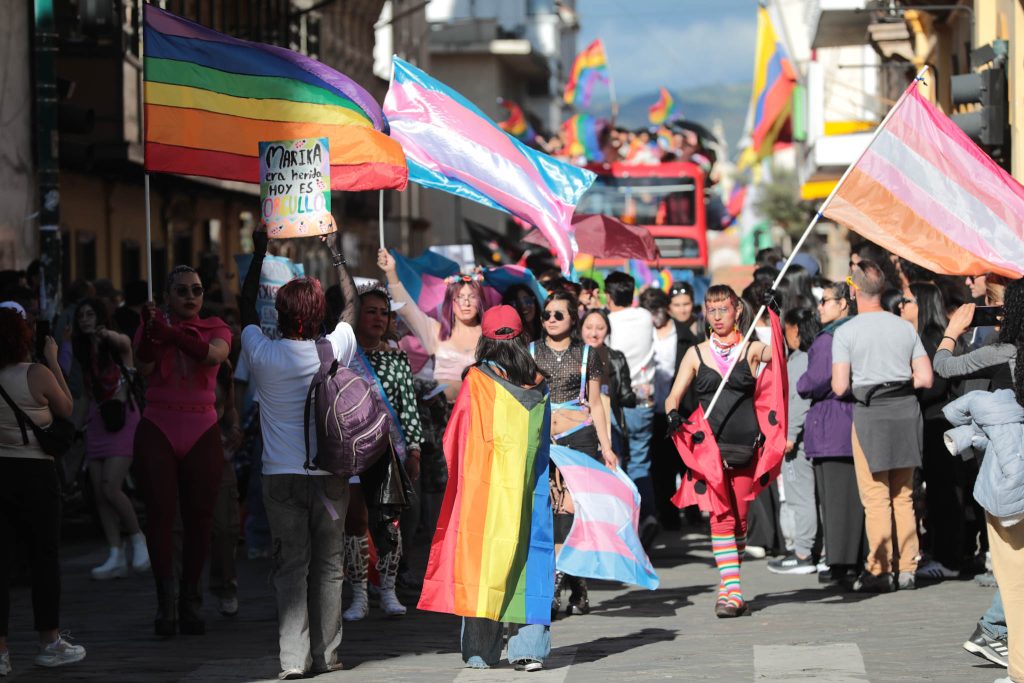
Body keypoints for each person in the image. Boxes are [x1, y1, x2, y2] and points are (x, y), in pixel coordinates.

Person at [240, 226, 359, 679]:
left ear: (282, 314)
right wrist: (335, 252)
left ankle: (292, 660)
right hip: (330, 477)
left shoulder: (264, 354)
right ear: (318, 313)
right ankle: (328, 656)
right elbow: (351, 305)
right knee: (328, 568)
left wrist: (259, 253)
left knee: (290, 568)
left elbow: (244, 308)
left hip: (281, 478)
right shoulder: (335, 349)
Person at [418, 305, 553, 672]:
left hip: (485, 493)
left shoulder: (476, 381)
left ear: (486, 340)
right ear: (522, 337)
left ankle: (481, 651)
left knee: (482, 565)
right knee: (530, 560)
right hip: (528, 492)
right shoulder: (540, 386)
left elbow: (454, 440)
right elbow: (543, 443)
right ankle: (529, 650)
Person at [664, 285, 780, 617]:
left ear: (737, 311)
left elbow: (782, 355)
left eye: (723, 310)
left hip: (745, 449)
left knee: (740, 521)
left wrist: (773, 315)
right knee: (721, 517)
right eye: (711, 310)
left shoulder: (752, 349)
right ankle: (732, 591)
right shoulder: (696, 354)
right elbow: (673, 397)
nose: (716, 317)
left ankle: (730, 583)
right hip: (709, 452)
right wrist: (673, 414)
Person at [133, 266, 232, 636]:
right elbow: (142, 366)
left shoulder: (216, 327)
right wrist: (151, 333)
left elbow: (213, 356)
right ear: (167, 295)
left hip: (201, 425)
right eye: (182, 290)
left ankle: (191, 600)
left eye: (197, 289)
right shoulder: (151, 325)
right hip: (158, 422)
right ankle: (166, 603)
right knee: (159, 514)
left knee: (201, 518)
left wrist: (171, 333)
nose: (191, 296)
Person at [831, 260, 933, 593]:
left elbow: (839, 386)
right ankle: (907, 568)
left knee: (876, 498)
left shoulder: (846, 331)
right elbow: (926, 378)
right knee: (903, 496)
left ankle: (880, 569)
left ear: (854, 290)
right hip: (905, 410)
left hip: (871, 413)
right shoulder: (904, 327)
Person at [0, 306, 85, 672]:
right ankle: (49, 640)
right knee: (44, 557)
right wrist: (53, 360)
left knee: (0, 561)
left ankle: (1, 651)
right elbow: (66, 408)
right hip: (37, 472)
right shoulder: (36, 374)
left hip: (1, 470)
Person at [342, 284, 423, 622]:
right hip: (350, 452)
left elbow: (409, 408)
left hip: (390, 451)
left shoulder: (397, 358)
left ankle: (388, 590)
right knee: (356, 522)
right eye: (370, 311)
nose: (378, 318)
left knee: (389, 521)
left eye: (383, 312)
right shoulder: (341, 356)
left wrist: (415, 449)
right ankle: (359, 595)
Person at [533, 291, 617, 617]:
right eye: (547, 314)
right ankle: (578, 585)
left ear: (572, 318)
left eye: (559, 314)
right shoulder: (530, 352)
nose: (551, 320)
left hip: (579, 439)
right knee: (551, 512)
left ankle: (553, 590)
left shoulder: (587, 355)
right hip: (542, 440)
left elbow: (596, 404)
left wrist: (607, 448)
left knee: (567, 512)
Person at [64, 298, 149, 580]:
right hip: (98, 420)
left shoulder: (115, 343)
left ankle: (138, 539)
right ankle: (115, 553)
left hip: (124, 417)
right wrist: (77, 427)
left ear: (100, 317)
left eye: (90, 315)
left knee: (111, 486)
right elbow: (87, 395)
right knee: (99, 492)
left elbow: (123, 342)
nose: (85, 320)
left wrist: (105, 334)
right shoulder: (84, 350)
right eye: (81, 316)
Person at [797, 282, 863, 585]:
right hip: (850, 421)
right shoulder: (858, 330)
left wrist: (802, 383)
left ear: (843, 304)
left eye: (825, 301)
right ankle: (851, 559)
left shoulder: (828, 339)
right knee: (849, 497)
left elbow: (813, 380)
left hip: (832, 424)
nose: (820, 307)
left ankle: (842, 563)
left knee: (837, 500)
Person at [901, 283, 964, 581]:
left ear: (922, 303)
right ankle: (942, 552)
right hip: (933, 422)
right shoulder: (927, 336)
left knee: (942, 492)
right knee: (938, 493)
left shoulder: (930, 337)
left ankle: (949, 559)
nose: (901, 305)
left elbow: (935, 384)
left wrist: (902, 388)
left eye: (907, 300)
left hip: (937, 423)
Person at [378, 249, 484, 404]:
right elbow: (407, 310)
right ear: (450, 302)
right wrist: (391, 273)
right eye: (459, 297)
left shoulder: (488, 334)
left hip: (479, 417)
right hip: (445, 421)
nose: (465, 303)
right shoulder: (436, 331)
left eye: (471, 297)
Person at [604, 271, 658, 541]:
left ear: (609, 295)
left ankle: (626, 524)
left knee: (617, 462)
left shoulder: (608, 322)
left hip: (616, 401)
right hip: (644, 399)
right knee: (640, 463)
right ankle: (648, 515)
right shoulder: (646, 317)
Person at [641, 288, 698, 531]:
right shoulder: (642, 334)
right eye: (649, 311)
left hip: (683, 407)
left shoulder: (685, 335)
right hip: (652, 409)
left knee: (688, 463)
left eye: (658, 309)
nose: (655, 316)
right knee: (660, 466)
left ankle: (694, 512)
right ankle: (668, 515)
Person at [768, 307, 820, 575]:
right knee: (811, 496)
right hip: (813, 435)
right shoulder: (817, 354)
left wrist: (788, 435)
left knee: (800, 496)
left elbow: (798, 400)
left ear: (796, 329)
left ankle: (803, 552)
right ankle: (814, 550)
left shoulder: (800, 360)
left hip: (797, 440)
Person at [208, 361, 242, 618]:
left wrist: (234, 429)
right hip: (185, 444)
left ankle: (226, 585)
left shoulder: (221, 366)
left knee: (225, 527)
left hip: (218, 453)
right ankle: (182, 592)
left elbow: (229, 410)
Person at [580, 309, 635, 461]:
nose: (594, 333)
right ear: (580, 328)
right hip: (580, 423)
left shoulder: (616, 358)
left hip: (611, 422)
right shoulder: (572, 357)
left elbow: (626, 396)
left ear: (608, 331)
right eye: (589, 327)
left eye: (600, 328)